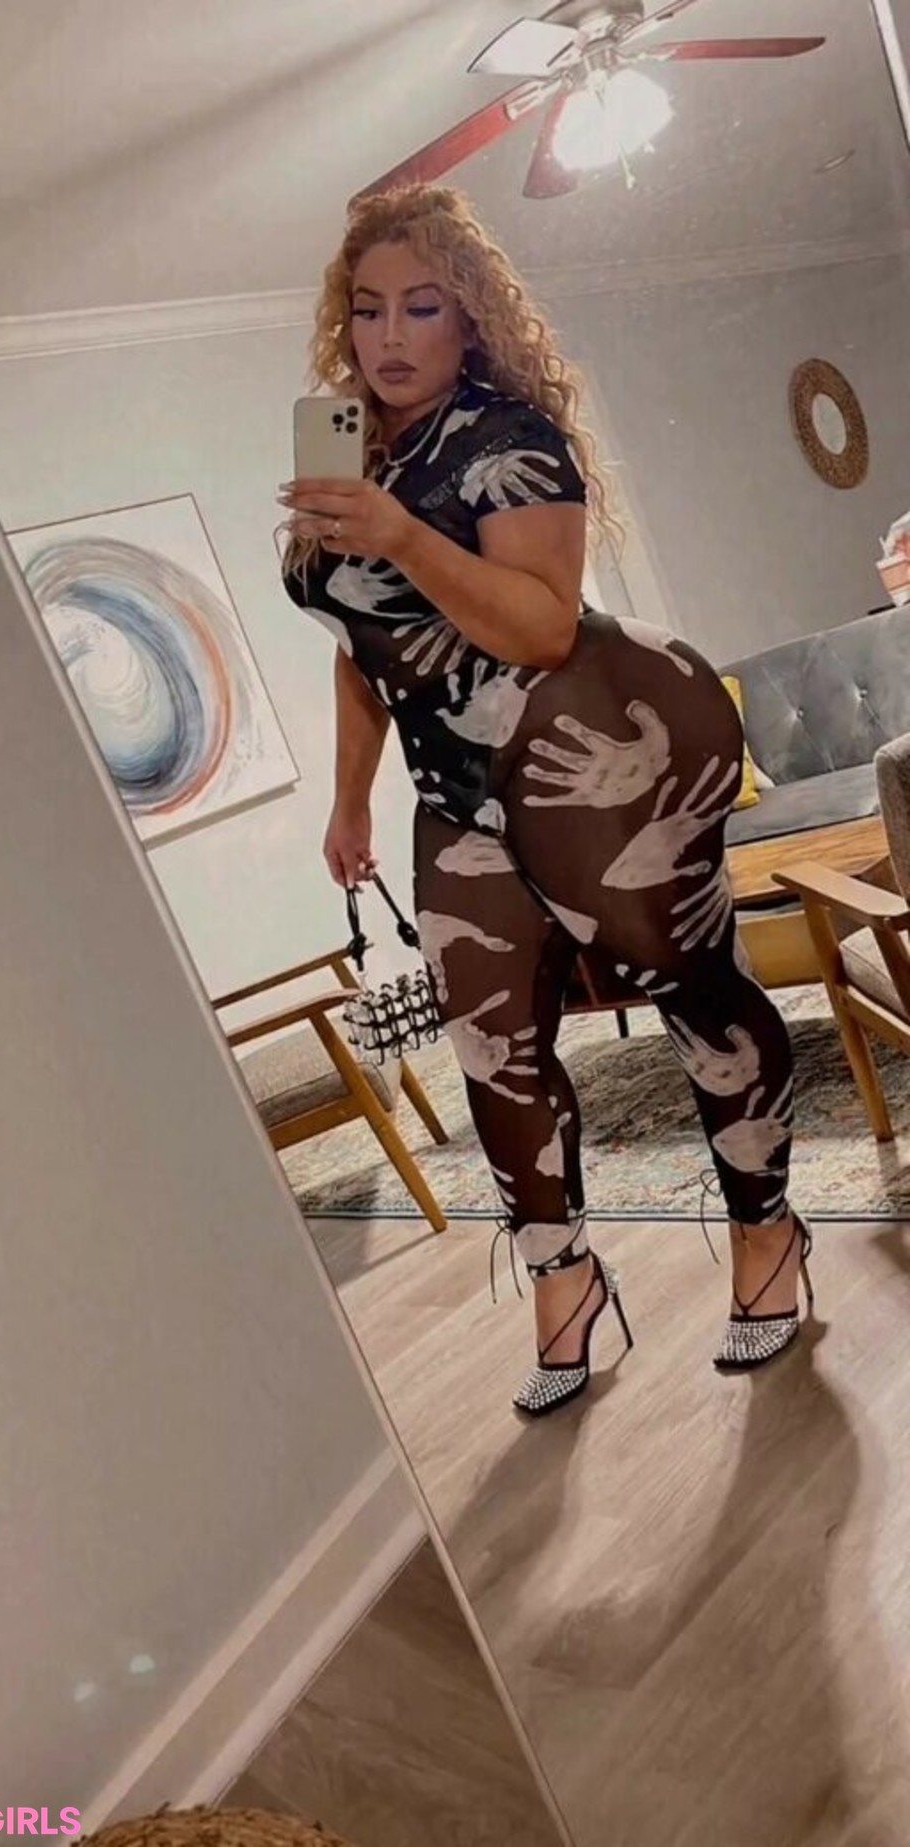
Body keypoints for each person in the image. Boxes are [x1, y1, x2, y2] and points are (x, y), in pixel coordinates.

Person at [279, 184, 811, 1416]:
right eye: (367, 309)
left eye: (421, 306)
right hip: (453, 793)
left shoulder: (508, 439)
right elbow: (361, 647)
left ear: (470, 316)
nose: (389, 335)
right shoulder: (353, 451)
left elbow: (542, 627)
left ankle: (767, 1231)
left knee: (696, 994)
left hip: (587, 765)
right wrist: (350, 804)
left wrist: (403, 537)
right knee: (491, 1048)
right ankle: (562, 1278)